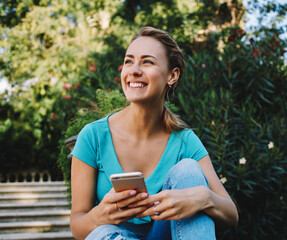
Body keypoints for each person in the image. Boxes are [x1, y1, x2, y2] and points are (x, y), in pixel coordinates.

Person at [70, 26, 239, 240]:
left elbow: (231, 215)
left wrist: (202, 197)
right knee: (102, 233)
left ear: (172, 75)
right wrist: (98, 216)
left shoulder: (184, 141)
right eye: (129, 61)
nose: (134, 70)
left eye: (147, 62)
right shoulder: (93, 136)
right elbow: (77, 226)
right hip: (112, 236)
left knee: (189, 170)